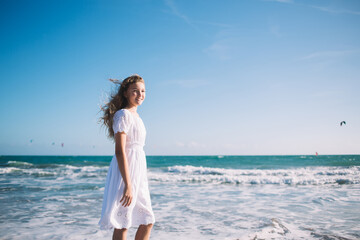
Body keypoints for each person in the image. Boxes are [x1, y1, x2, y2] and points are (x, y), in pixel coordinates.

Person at [98, 74, 155, 240]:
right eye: (135, 91)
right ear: (125, 93)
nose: (140, 94)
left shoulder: (138, 117)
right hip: (125, 173)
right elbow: (120, 151)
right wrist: (128, 184)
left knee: (147, 220)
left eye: (143, 91)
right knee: (123, 222)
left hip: (138, 174)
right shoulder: (123, 115)